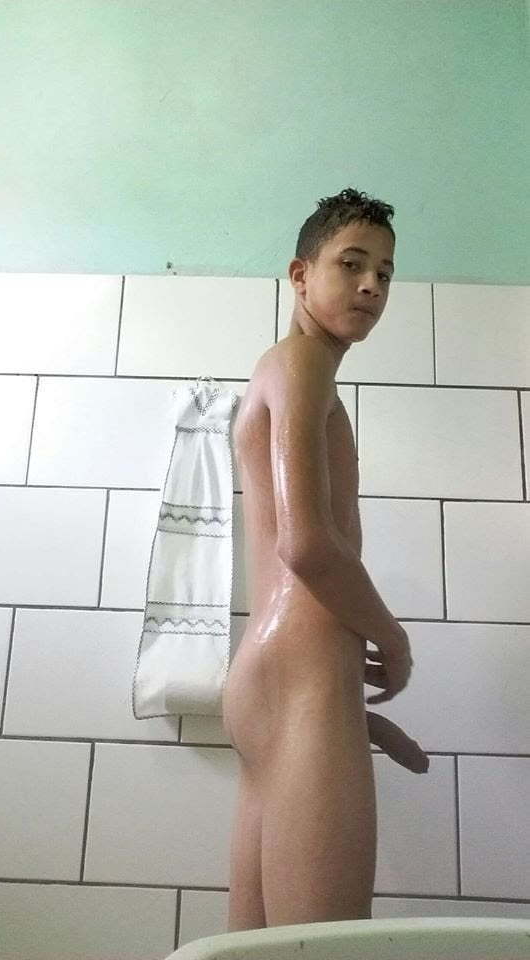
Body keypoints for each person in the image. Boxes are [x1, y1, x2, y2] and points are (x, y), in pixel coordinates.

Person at [222, 187, 429, 932]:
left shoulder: (285, 369)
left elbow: (286, 572)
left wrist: (352, 712)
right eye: (352, 263)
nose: (372, 285)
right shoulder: (303, 361)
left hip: (275, 678)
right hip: (301, 677)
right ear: (301, 274)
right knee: (323, 948)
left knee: (261, 949)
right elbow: (306, 544)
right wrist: (392, 642)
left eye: (386, 273)